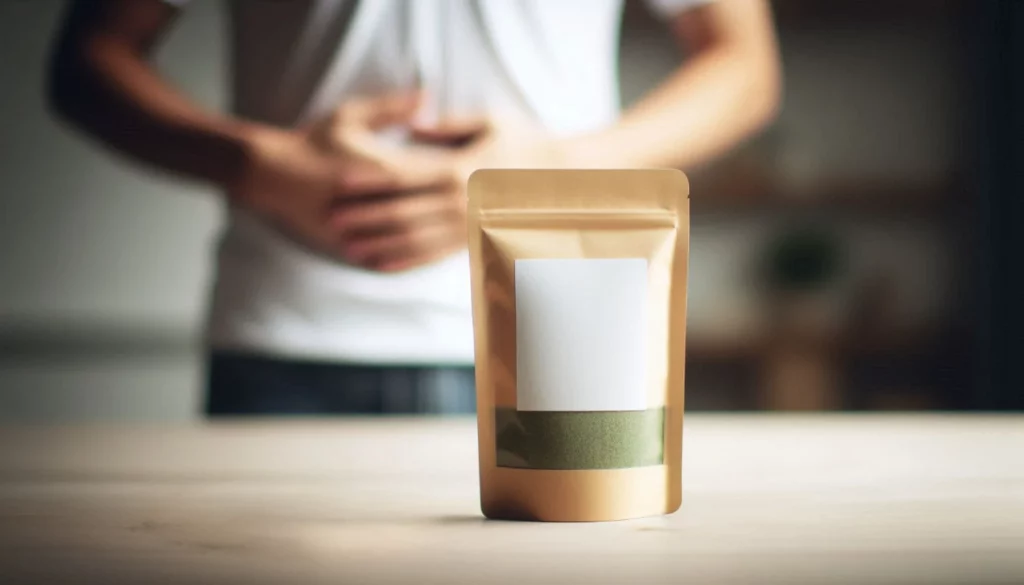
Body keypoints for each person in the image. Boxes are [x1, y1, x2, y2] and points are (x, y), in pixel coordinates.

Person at [46, 0, 781, 416]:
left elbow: (744, 63)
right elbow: (89, 58)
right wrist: (265, 167)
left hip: (550, 335)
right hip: (285, 335)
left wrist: (549, 172)